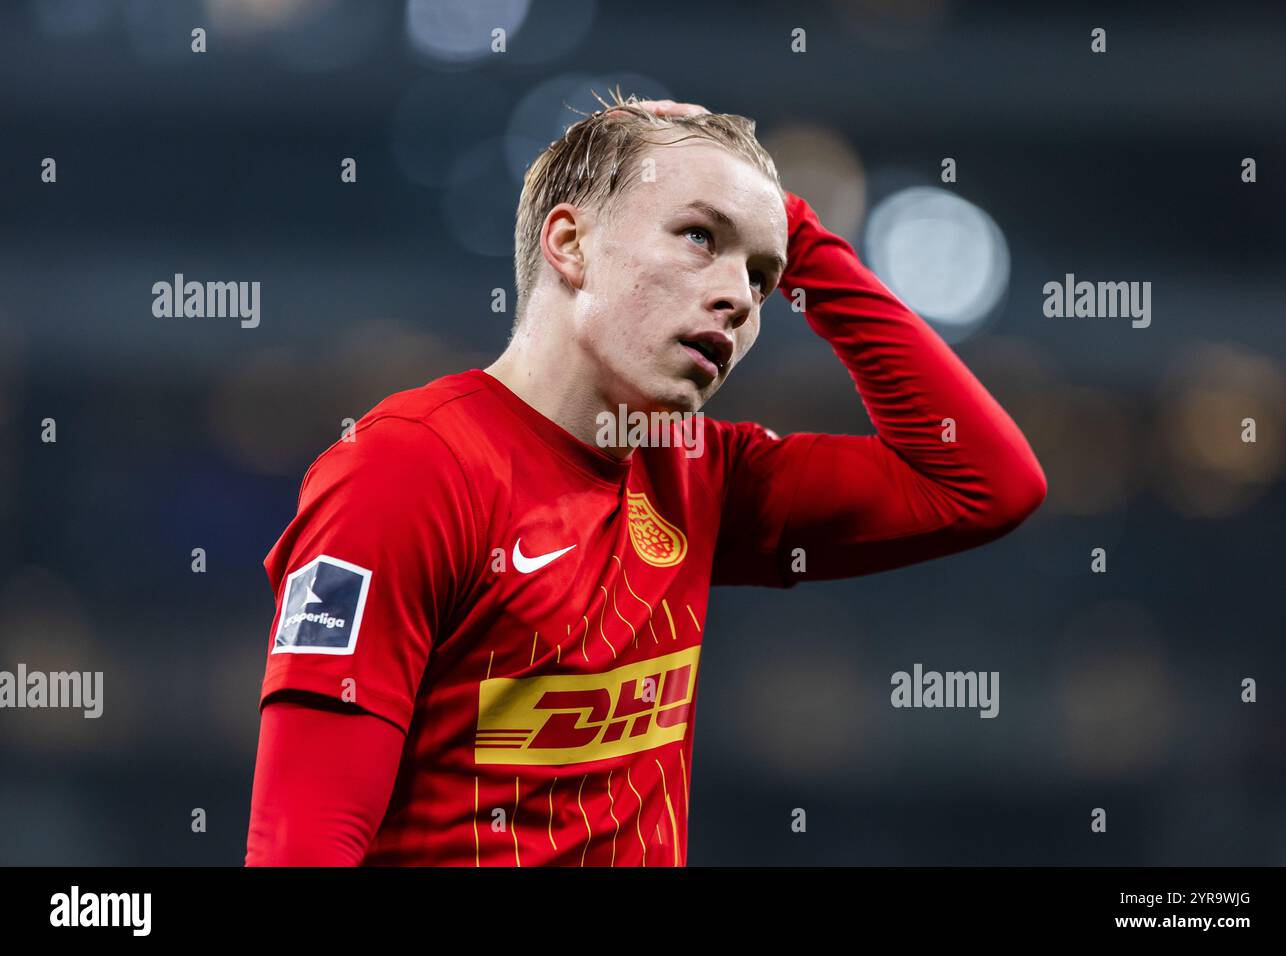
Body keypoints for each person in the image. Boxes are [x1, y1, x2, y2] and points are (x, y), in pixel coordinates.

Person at [245, 93, 1046, 866]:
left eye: (764, 277)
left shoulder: (699, 474)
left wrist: (793, 228)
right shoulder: (406, 472)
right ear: (570, 245)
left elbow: (982, 484)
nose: (738, 296)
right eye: (700, 236)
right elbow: (300, 847)